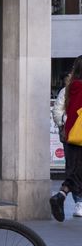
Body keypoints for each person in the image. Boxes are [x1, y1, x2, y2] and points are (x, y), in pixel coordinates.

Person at [50, 55, 82, 221]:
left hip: (71, 136)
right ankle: (64, 197)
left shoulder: (69, 89)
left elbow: (58, 111)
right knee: (77, 173)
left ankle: (61, 196)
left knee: (74, 171)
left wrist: (65, 122)